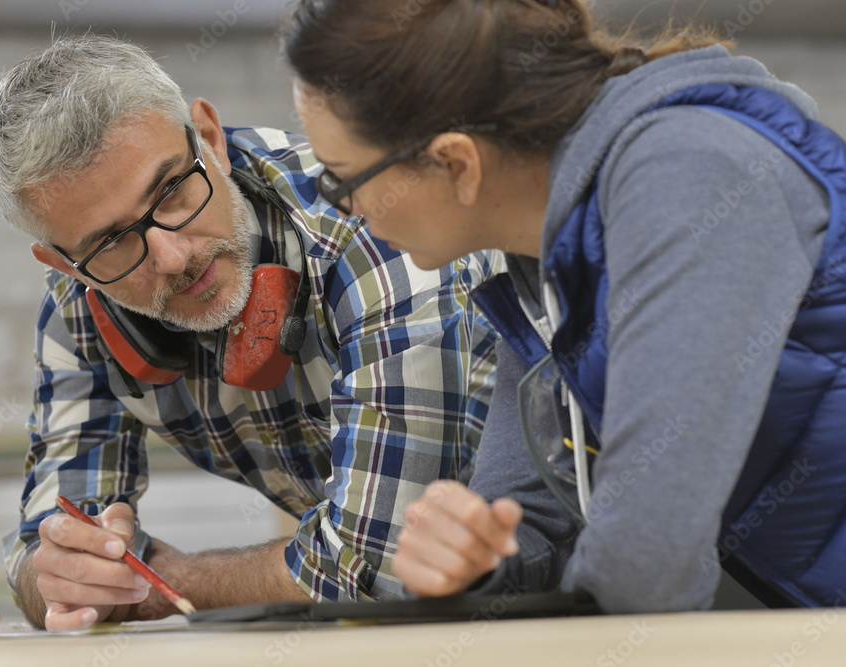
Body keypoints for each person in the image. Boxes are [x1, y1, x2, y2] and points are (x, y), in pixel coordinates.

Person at [283, 0, 846, 612]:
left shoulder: (690, 172)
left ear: (455, 162)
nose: (344, 209)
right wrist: (478, 567)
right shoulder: (536, 269)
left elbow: (646, 554)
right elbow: (535, 531)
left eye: (342, 179)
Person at [0, 34, 503, 631]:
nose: (172, 258)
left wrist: (162, 583)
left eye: (172, 191)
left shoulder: (371, 230)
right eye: (110, 243)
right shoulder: (81, 307)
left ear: (209, 137)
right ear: (67, 265)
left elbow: (377, 566)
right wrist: (63, 576)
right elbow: (40, 547)